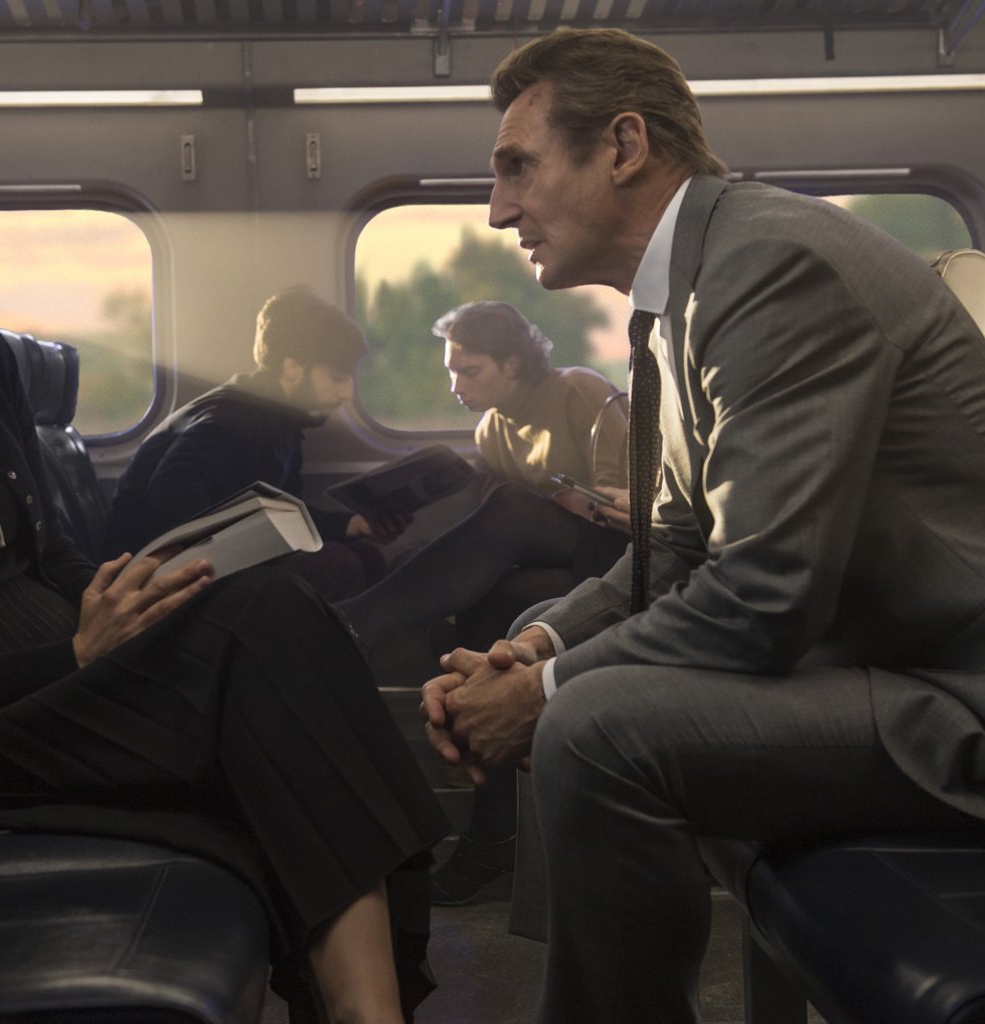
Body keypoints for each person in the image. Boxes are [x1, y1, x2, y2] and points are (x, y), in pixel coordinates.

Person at [0, 76, 448, 1024]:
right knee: (269, 639)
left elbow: (53, 558)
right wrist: (75, 656)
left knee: (264, 605)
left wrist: (136, 603)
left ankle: (361, 1012)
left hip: (63, 663)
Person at [421, 26, 985, 1024]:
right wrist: (535, 649)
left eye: (518, 167)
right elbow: (677, 545)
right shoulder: (684, 293)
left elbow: (763, 595)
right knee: (554, 647)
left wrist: (540, 695)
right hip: (871, 661)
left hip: (952, 696)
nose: (499, 209)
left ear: (624, 146)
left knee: (592, 726)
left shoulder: (772, 266)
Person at [336, 300, 630, 907]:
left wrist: (571, 504)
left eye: (469, 371)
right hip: (550, 569)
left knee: (514, 508)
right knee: (485, 611)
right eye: (452, 371)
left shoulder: (579, 392)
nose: (456, 385)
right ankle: (494, 833)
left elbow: (628, 497)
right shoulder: (491, 429)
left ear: (513, 364)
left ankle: (352, 625)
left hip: (616, 555)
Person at [102, 287, 405, 600]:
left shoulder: (279, 421)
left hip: (194, 564)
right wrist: (246, 551)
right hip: (150, 578)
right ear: (292, 368)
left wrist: (351, 524)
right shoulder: (232, 421)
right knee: (340, 567)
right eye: (338, 377)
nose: (347, 393)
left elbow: (288, 513)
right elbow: (171, 490)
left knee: (367, 555)